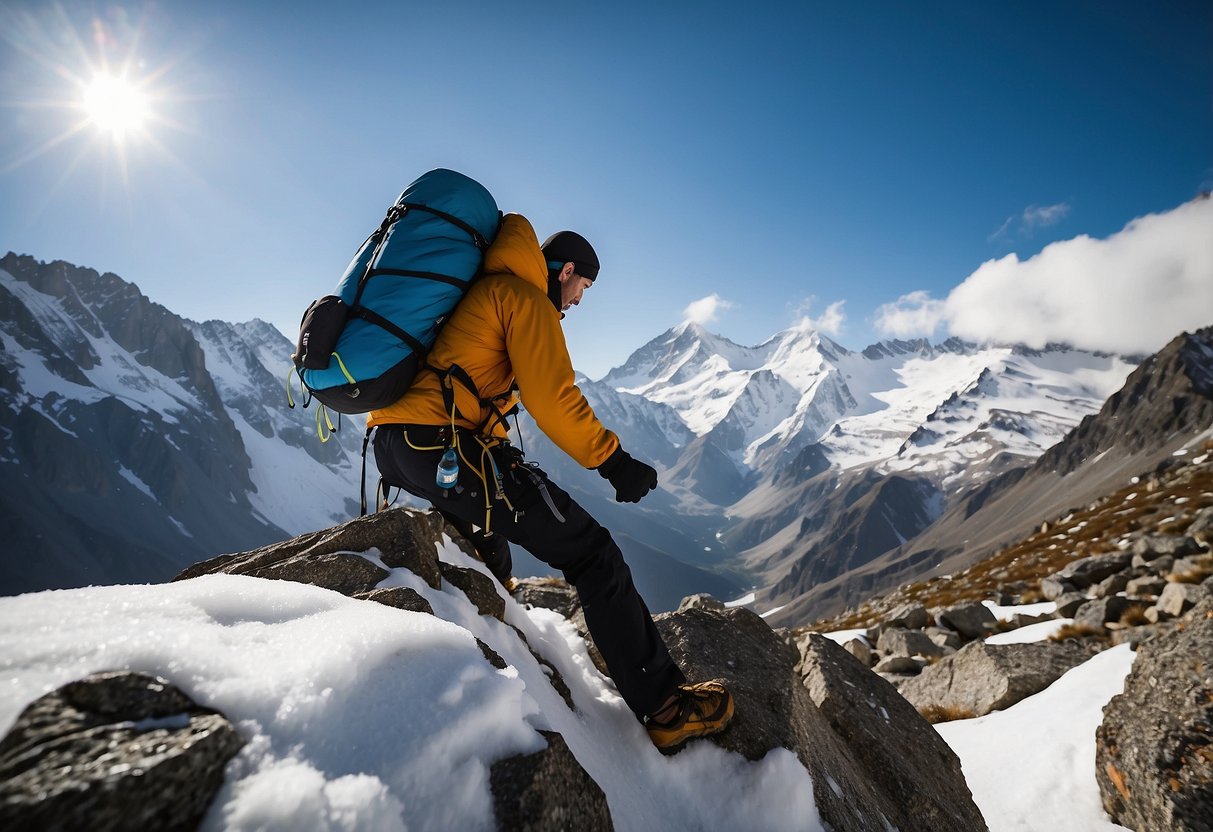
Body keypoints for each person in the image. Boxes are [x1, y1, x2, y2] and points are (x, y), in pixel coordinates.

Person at [368, 212, 733, 749]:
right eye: (584, 285)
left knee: (483, 536)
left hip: (398, 445)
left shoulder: (488, 288)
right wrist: (612, 460)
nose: (580, 300)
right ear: (565, 271)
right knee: (592, 555)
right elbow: (554, 399)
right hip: (440, 446)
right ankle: (667, 709)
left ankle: (497, 629)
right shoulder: (524, 298)